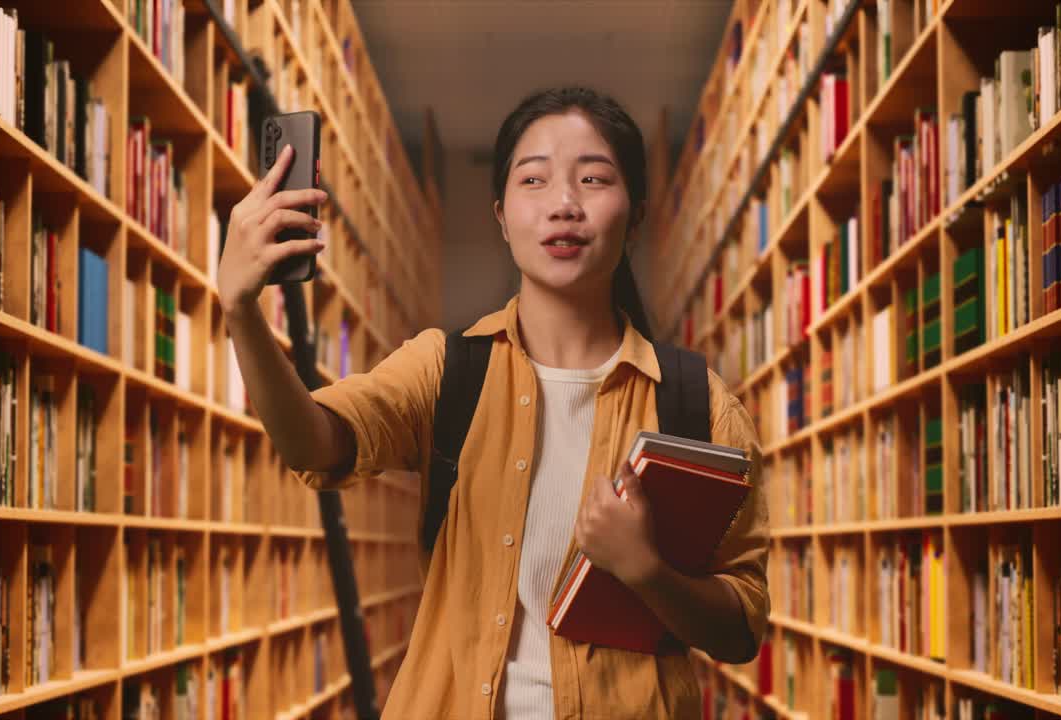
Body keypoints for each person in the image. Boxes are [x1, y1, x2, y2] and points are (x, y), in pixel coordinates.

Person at [217, 86, 769, 720]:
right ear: (502, 216)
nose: (564, 204)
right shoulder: (447, 369)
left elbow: (741, 627)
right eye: (533, 179)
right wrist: (241, 313)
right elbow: (313, 441)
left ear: (636, 215)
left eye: (593, 178)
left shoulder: (698, 405)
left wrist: (646, 570)